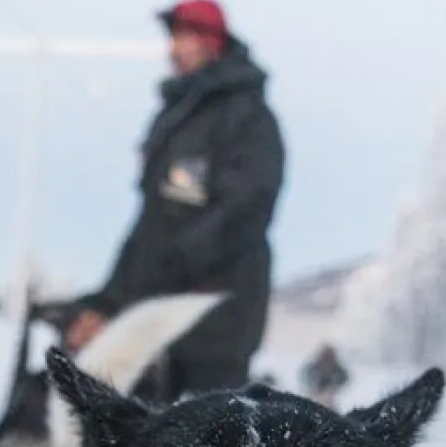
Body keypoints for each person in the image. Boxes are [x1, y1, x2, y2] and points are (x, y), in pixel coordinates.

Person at [66, 0, 285, 402]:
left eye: (185, 37)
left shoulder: (247, 118)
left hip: (215, 323)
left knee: (212, 443)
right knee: (142, 436)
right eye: (174, 38)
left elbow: (245, 210)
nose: (173, 49)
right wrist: (108, 300)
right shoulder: (175, 120)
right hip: (156, 318)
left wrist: (170, 270)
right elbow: (149, 226)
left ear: (212, 42)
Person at [301, 343, 350, 409]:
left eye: (329, 358)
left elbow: (344, 377)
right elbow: (306, 376)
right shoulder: (314, 368)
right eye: (326, 357)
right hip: (315, 395)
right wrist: (314, 389)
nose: (327, 362)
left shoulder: (337, 369)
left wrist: (335, 386)